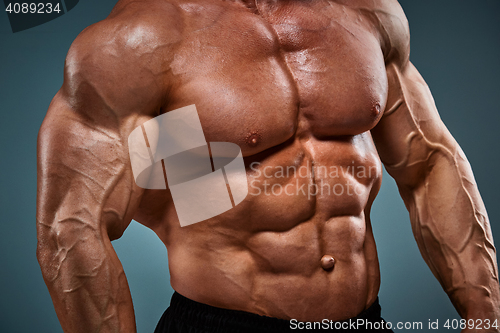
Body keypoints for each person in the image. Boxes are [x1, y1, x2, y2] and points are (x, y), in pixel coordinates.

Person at [36, 0, 500, 332]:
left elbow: (429, 164)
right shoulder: (140, 41)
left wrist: (486, 317)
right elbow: (72, 228)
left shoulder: (364, 12)